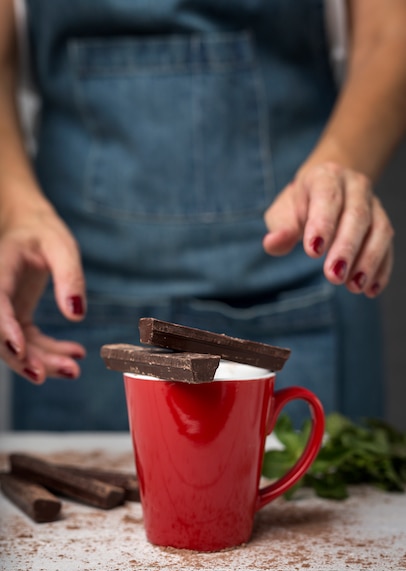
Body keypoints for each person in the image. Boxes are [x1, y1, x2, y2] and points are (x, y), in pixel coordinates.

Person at [0, 0, 404, 431]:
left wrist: (340, 164)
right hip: (74, 293)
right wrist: (16, 208)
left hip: (297, 281)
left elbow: (390, 33)